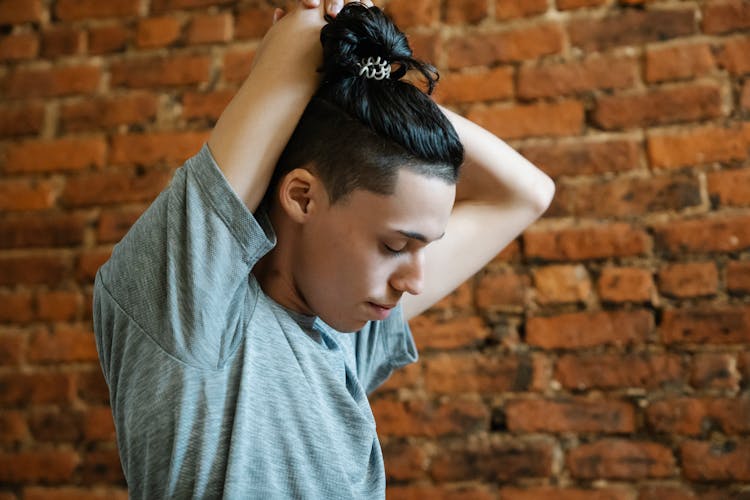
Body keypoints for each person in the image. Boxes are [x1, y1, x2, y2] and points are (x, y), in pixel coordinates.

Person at [92, 0, 555, 498]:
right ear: (302, 197)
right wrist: (323, 41)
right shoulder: (193, 312)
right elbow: (307, 29)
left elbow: (528, 194)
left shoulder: (341, 332)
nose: (415, 280)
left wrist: (372, 96)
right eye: (395, 245)